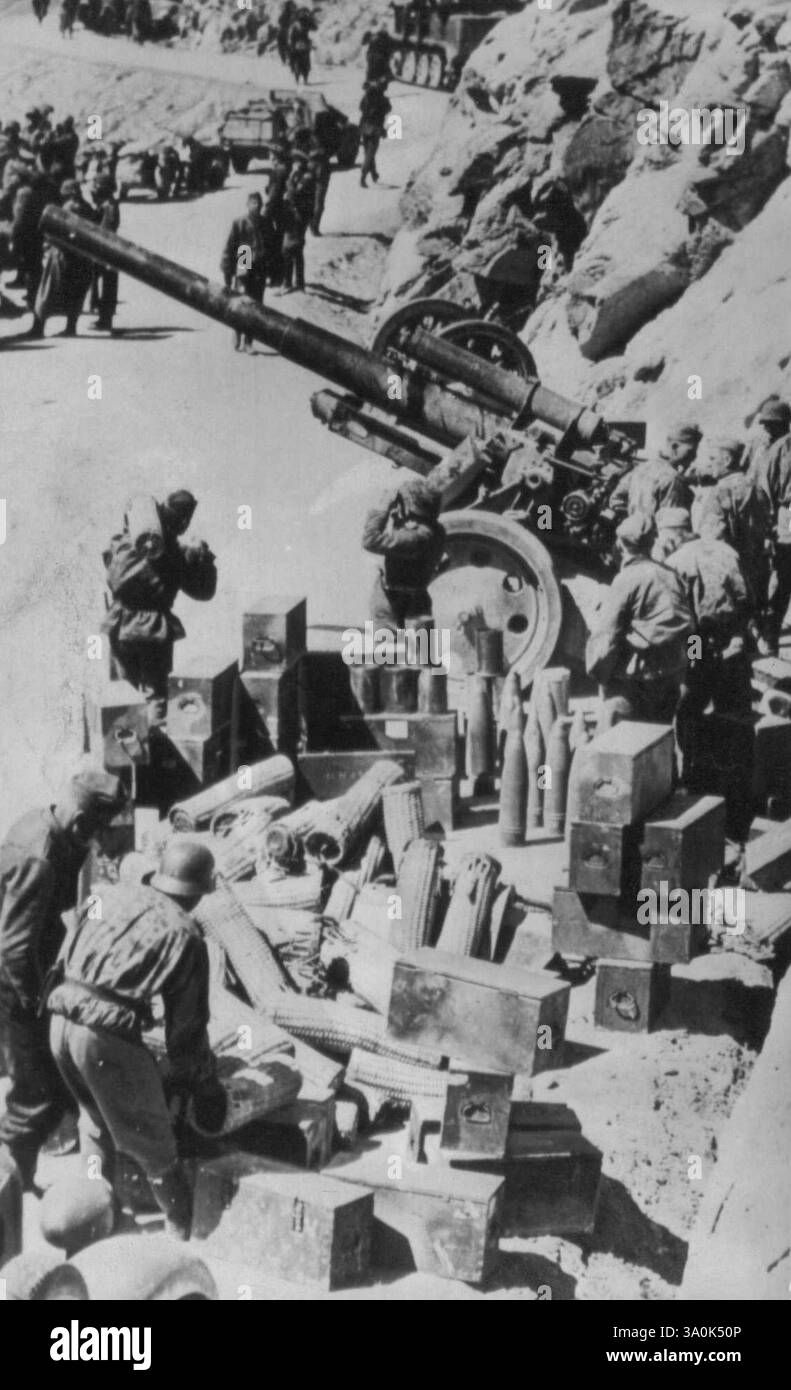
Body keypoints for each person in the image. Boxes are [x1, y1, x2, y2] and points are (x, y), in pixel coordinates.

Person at [47, 840, 224, 1239]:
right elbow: (186, 1034)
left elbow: (67, 939)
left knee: (94, 1122)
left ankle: (92, 1222)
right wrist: (203, 1082)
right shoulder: (186, 933)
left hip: (59, 1019)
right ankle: (183, 1234)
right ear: (196, 893)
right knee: (157, 1147)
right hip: (103, 1037)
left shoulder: (110, 894)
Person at [0, 769, 126, 1192]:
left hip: (27, 970)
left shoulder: (42, 821)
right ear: (79, 823)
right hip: (15, 984)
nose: (99, 840)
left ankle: (18, 1179)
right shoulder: (41, 857)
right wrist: (41, 1002)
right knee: (36, 1094)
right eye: (99, 830)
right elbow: (14, 948)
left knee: (41, 1085)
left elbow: (56, 913)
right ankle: (9, 1191)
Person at [101, 490, 217, 724]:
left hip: (119, 623)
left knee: (123, 693)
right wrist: (204, 557)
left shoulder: (126, 542)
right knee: (155, 697)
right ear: (183, 520)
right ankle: (154, 751)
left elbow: (108, 565)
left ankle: (121, 749)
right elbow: (203, 591)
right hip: (153, 632)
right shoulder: (176, 554)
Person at [666, 511, 753, 791]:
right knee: (735, 709)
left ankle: (691, 770)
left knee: (690, 702)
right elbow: (746, 597)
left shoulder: (675, 561)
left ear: (672, 534)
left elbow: (677, 614)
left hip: (696, 639)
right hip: (729, 638)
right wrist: (738, 636)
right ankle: (736, 776)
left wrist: (688, 657)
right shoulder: (727, 551)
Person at [585, 512, 694, 725]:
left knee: (624, 743)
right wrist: (689, 665)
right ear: (652, 542)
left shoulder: (626, 579)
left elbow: (608, 636)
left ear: (621, 545)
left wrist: (599, 674)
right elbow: (691, 625)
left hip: (634, 680)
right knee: (659, 740)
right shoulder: (671, 575)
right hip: (669, 675)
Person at [362, 478, 446, 633]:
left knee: (389, 654)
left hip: (393, 603)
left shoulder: (415, 538)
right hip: (418, 600)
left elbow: (370, 540)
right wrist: (399, 517)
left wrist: (382, 508)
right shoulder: (437, 530)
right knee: (423, 653)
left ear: (410, 509)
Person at [745, 404, 791, 652]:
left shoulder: (784, 446)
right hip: (774, 516)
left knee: (782, 577)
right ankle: (764, 630)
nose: (766, 428)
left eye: (770, 423)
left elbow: (775, 486)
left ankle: (768, 632)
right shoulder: (770, 446)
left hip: (781, 516)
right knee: (776, 576)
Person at [28, 179, 96, 338]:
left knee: (47, 292)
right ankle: (70, 327)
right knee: (76, 293)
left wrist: (49, 242)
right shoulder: (88, 208)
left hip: (62, 255)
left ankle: (38, 328)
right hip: (82, 257)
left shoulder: (69, 207)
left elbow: (62, 230)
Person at [221, 191, 274, 351]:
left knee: (256, 303)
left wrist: (273, 271)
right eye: (253, 203)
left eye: (258, 203)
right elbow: (230, 248)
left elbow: (272, 247)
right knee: (242, 299)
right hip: (245, 255)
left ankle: (249, 341)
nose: (256, 206)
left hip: (260, 263)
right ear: (247, 205)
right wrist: (228, 271)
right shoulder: (240, 223)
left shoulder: (266, 223)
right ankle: (237, 332)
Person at [610, 436, 693, 520]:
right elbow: (670, 523)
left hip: (633, 528)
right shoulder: (672, 478)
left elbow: (615, 499)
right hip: (658, 531)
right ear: (675, 446)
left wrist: (635, 519)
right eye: (691, 451)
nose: (695, 456)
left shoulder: (640, 468)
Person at [87, 173, 120, 331]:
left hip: (106, 251)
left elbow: (105, 231)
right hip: (107, 250)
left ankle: (105, 318)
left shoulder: (108, 207)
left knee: (107, 285)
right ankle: (104, 316)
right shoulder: (108, 204)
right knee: (105, 284)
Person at [278, 158, 314, 293]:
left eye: (295, 162)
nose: (293, 165)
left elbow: (295, 194)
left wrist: (289, 182)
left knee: (288, 249)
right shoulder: (300, 176)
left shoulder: (307, 177)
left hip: (299, 218)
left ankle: (288, 283)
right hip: (295, 216)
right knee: (297, 250)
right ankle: (299, 283)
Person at [359, 78, 391, 188]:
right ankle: (363, 178)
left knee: (368, 152)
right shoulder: (383, 100)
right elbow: (388, 109)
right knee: (370, 154)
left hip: (364, 127)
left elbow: (361, 107)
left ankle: (374, 174)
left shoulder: (367, 97)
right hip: (375, 129)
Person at [287, 11, 311, 85]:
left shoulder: (295, 26)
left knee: (298, 63)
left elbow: (291, 37)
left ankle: (300, 79)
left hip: (299, 47)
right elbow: (291, 37)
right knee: (304, 64)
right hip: (301, 47)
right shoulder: (302, 26)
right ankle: (304, 80)